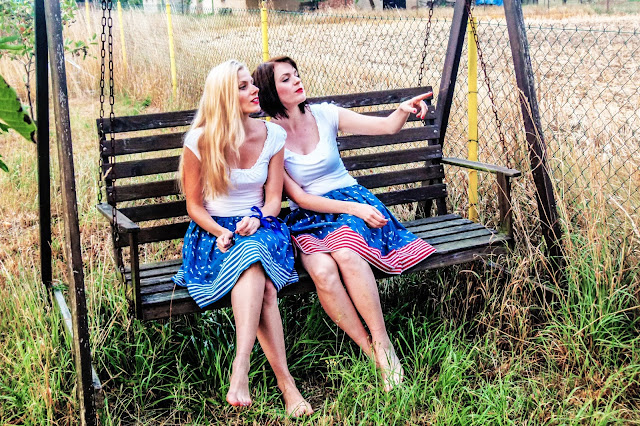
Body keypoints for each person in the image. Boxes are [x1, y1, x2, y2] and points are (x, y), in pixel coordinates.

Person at [252, 56, 437, 391]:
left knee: (347, 253)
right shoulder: (270, 136)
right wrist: (352, 209)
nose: (297, 81)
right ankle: (372, 354)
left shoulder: (325, 114)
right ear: (270, 90)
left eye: (297, 74)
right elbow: (301, 198)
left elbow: (386, 127)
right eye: (286, 79)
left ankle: (384, 344)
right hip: (311, 215)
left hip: (353, 204)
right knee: (323, 271)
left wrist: (402, 110)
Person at [171, 60, 313, 417]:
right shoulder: (200, 141)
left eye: (252, 83)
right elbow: (194, 206)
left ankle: (242, 366)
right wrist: (220, 230)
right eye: (243, 86)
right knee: (264, 288)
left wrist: (257, 218)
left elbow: (274, 200)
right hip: (213, 234)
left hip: (261, 227)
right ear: (224, 96)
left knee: (251, 251)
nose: (255, 90)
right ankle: (286, 385)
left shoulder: (272, 135)